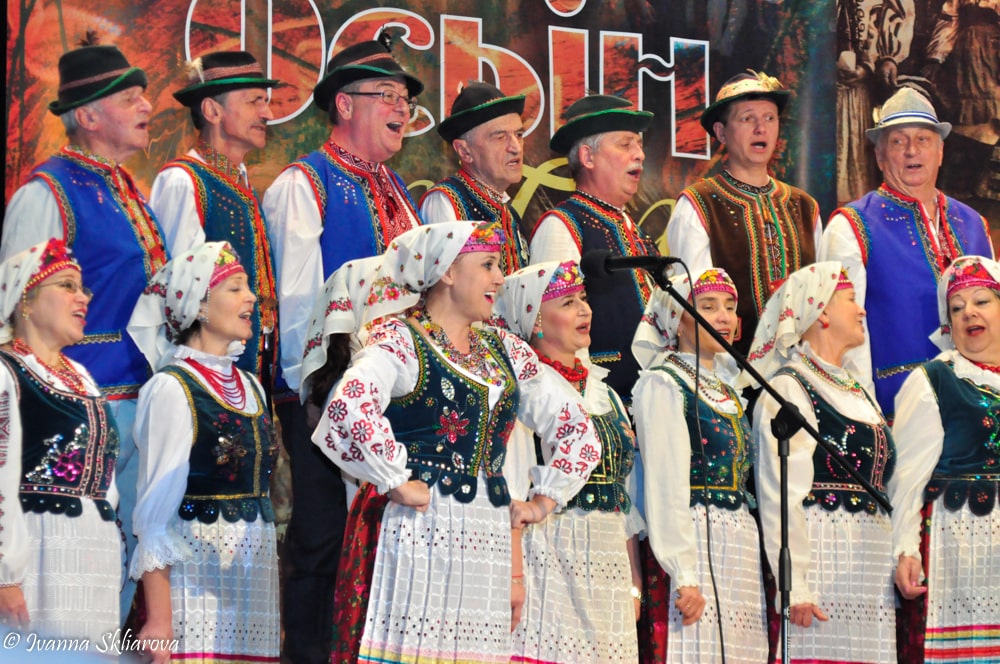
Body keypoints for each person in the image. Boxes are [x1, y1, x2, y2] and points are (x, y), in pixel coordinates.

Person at [313, 221, 601, 662]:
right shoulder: (402, 339)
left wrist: (542, 502)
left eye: (498, 266)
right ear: (447, 271)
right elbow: (348, 404)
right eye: (487, 265)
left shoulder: (504, 349)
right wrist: (394, 479)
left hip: (486, 533)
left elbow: (576, 426)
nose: (499, 278)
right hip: (419, 527)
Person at [261, 32, 424, 662]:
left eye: (406, 97)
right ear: (345, 105)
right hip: (327, 396)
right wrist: (310, 395)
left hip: (397, 396)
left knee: (387, 543)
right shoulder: (306, 182)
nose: (401, 107)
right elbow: (297, 302)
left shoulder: (399, 190)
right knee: (324, 540)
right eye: (387, 94)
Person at [0, 34, 168, 619]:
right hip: (67, 410)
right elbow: (15, 304)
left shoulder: (128, 189)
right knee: (57, 562)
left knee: (112, 566)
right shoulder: (47, 191)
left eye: (144, 95)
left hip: (136, 399)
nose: (147, 106)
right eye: (130, 98)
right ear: (89, 116)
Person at [127, 242, 280, 663]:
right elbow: (154, 515)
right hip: (195, 578)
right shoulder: (171, 388)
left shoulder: (252, 387)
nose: (252, 297)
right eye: (235, 287)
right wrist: (160, 620)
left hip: (252, 579)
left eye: (248, 286)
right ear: (198, 306)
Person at [495, 260, 643, 662]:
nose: (584, 310)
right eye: (568, 302)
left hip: (609, 562)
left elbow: (622, 497)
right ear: (535, 320)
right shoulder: (525, 393)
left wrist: (634, 582)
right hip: (549, 552)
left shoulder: (605, 393)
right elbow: (511, 491)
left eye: (583, 298)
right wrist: (515, 575)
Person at [749, 262, 897, 663]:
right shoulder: (790, 386)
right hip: (823, 557)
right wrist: (795, 585)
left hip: (869, 562)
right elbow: (780, 492)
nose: (862, 309)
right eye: (850, 300)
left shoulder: (857, 389)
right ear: (822, 312)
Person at [821, 86, 993, 419]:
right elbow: (841, 333)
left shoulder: (974, 224)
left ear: (940, 152)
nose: (912, 150)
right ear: (880, 156)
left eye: (923, 139)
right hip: (895, 413)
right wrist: (866, 418)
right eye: (898, 141)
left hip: (977, 414)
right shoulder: (851, 226)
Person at [631, 268, 768, 663]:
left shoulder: (728, 389)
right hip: (692, 539)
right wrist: (684, 573)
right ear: (678, 320)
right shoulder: (664, 382)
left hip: (737, 541)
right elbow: (664, 484)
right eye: (708, 307)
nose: (723, 317)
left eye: (729, 307)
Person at [0, 239, 121, 645]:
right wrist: (4, 575)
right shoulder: (6, 371)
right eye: (67, 285)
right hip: (36, 551)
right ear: (26, 300)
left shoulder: (82, 377)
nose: (82, 297)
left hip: (92, 552)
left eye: (83, 288)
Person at [890, 255, 1000, 662]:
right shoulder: (933, 380)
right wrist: (905, 549)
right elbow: (905, 479)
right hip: (961, 543)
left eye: (982, 301)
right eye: (957, 307)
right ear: (948, 325)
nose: (969, 311)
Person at [148, 50, 280, 389]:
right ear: (212, 110)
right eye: (254, 101)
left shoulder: (239, 182)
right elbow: (176, 301)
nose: (267, 113)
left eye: (266, 102)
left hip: (244, 377)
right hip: (202, 383)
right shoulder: (183, 181)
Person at [667, 70, 822, 356]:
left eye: (770, 118)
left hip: (799, 369)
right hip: (729, 369)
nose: (761, 128)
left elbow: (823, 300)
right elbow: (692, 308)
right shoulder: (699, 204)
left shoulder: (804, 206)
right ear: (721, 132)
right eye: (747, 118)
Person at [530, 93, 658, 400]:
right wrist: (589, 405)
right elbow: (555, 335)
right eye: (625, 144)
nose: (639, 154)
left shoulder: (632, 228)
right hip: (599, 404)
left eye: (639, 144)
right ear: (588, 157)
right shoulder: (563, 225)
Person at [420, 81, 530, 273]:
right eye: (500, 137)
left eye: (519, 135)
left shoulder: (510, 215)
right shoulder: (446, 201)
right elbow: (446, 284)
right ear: (464, 151)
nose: (516, 147)